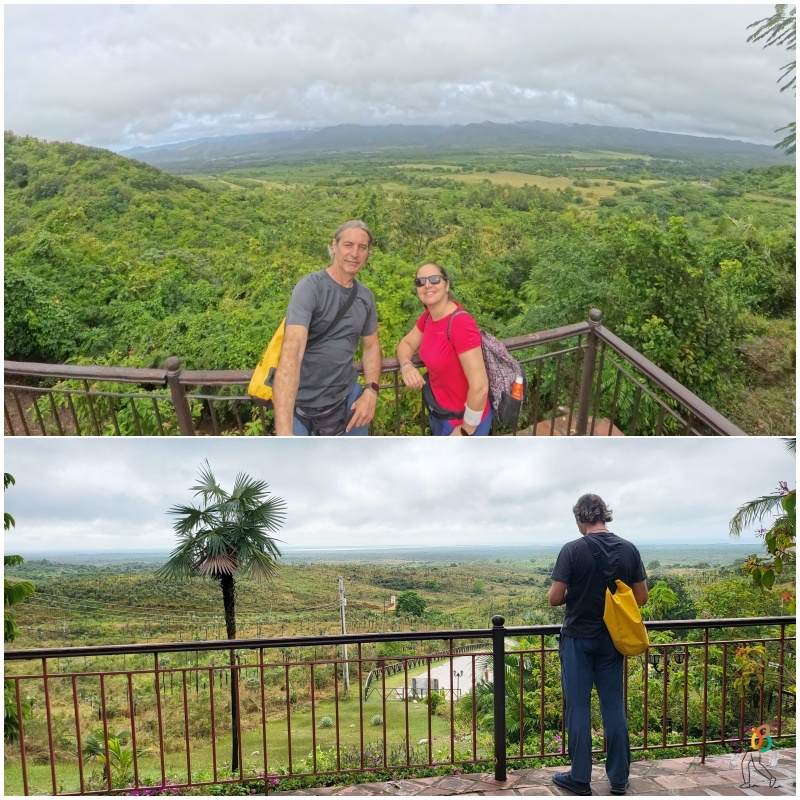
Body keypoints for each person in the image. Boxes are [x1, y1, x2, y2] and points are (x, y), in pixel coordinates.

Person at [547, 494, 648, 796]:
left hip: (578, 638)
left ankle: (579, 778)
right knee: (613, 707)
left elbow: (554, 598)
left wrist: (575, 594)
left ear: (579, 519)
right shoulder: (629, 549)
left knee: (579, 708)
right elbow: (641, 597)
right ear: (605, 516)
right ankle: (618, 779)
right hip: (613, 640)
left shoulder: (572, 550)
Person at [272, 220, 382, 436]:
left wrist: (372, 390)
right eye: (348, 245)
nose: (355, 253)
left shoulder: (365, 297)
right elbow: (292, 352)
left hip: (348, 402)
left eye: (362, 247)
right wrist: (284, 433)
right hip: (302, 407)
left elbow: (371, 347)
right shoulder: (311, 287)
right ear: (334, 246)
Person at [396, 262, 491, 436]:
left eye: (434, 279)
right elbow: (406, 344)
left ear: (447, 285)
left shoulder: (460, 323)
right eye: (420, 282)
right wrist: (406, 365)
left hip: (465, 421)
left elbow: (480, 386)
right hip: (440, 413)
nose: (427, 285)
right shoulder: (427, 318)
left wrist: (465, 429)